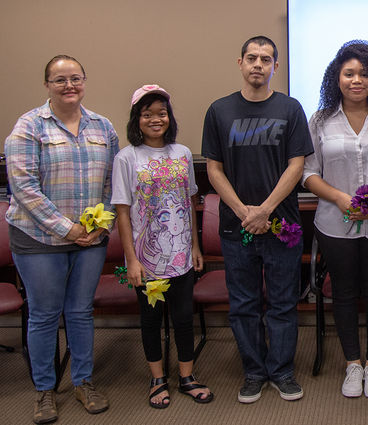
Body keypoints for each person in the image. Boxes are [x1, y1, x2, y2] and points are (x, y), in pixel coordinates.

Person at [5, 55, 119, 424]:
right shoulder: (28, 127)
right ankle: (44, 390)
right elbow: (23, 187)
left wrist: (103, 224)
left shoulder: (103, 127)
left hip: (90, 237)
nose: (69, 85)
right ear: (47, 85)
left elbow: (111, 184)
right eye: (60, 80)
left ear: (84, 81)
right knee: (44, 314)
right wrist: (66, 228)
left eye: (75, 78)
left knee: (80, 311)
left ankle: (83, 382)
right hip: (39, 237)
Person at [201, 36, 313, 403]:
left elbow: (297, 165)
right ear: (240, 62)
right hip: (237, 227)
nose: (258, 65)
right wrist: (244, 211)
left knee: (282, 303)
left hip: (282, 225)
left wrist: (265, 209)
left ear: (275, 67)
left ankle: (281, 372)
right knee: (244, 305)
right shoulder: (219, 110)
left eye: (266, 59)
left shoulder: (290, 108)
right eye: (252, 58)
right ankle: (253, 372)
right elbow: (214, 170)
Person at [302, 41, 368, 398]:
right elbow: (308, 173)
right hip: (334, 221)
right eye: (349, 73)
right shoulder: (319, 120)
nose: (356, 80)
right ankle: (352, 364)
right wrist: (340, 197)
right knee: (343, 294)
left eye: (364, 73)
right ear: (337, 78)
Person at [111, 85, 213, 408]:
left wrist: (196, 247)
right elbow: (123, 212)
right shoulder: (126, 158)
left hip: (181, 255)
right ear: (136, 119)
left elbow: (190, 200)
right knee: (151, 320)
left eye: (162, 113)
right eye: (147, 114)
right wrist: (131, 259)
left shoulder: (182, 153)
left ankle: (186, 376)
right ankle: (157, 379)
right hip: (147, 259)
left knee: (184, 318)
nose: (156, 120)